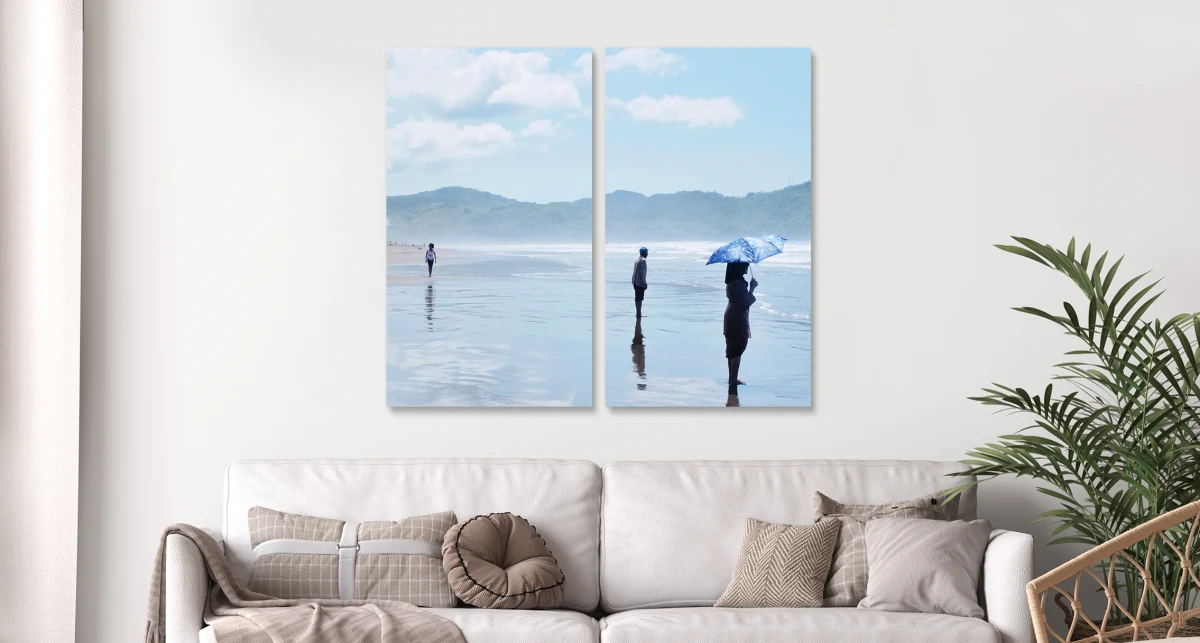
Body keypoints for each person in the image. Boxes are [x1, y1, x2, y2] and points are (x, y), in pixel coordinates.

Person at [723, 261, 757, 396]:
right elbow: (745, 304)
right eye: (745, 265)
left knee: (732, 347)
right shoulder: (738, 283)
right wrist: (752, 288)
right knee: (738, 345)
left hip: (731, 314)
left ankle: (732, 377)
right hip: (737, 316)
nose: (747, 267)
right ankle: (733, 379)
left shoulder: (732, 281)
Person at [632, 247, 648, 318]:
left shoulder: (636, 259)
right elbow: (643, 273)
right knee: (640, 298)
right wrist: (644, 283)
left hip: (634, 281)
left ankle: (638, 312)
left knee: (637, 298)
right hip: (639, 282)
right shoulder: (643, 260)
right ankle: (639, 313)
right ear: (645, 253)